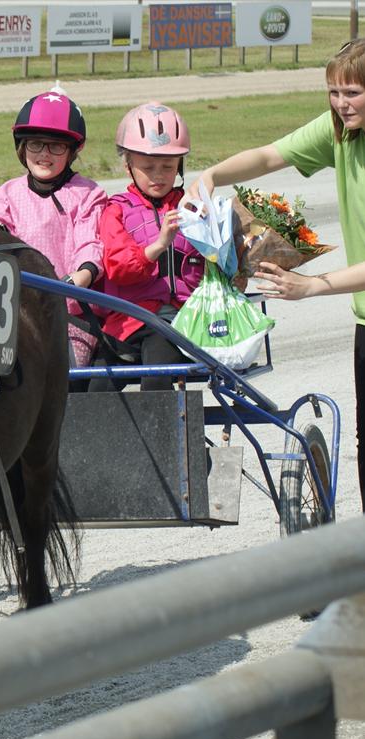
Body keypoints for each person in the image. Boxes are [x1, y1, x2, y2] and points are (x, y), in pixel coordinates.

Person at [191, 39, 365, 509]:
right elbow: (270, 155)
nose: (340, 103)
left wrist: (314, 285)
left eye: (352, 92)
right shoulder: (340, 132)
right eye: (333, 91)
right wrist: (211, 175)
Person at [0, 87, 107, 373]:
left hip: (70, 317)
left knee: (62, 373)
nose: (44, 155)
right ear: (22, 147)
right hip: (15, 315)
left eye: (55, 146)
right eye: (36, 144)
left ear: (73, 150)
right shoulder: (8, 193)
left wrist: (76, 279)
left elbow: (91, 246)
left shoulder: (88, 194)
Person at [90, 101, 205, 392]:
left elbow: (213, 267)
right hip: (124, 322)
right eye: (148, 167)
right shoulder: (115, 210)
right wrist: (159, 245)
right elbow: (117, 268)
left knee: (157, 374)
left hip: (175, 322)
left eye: (168, 166)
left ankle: (160, 438)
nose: (158, 175)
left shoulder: (192, 207)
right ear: (128, 165)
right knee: (95, 387)